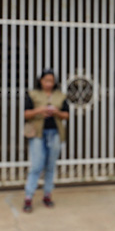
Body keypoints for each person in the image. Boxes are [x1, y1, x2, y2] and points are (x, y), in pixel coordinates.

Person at [23, 69, 69, 213]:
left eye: (51, 81)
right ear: (41, 81)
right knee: (36, 166)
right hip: (38, 134)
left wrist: (56, 112)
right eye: (46, 81)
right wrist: (39, 110)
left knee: (50, 166)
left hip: (54, 133)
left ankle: (47, 195)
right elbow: (26, 114)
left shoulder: (60, 96)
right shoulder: (33, 94)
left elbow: (66, 115)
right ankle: (28, 197)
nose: (49, 84)